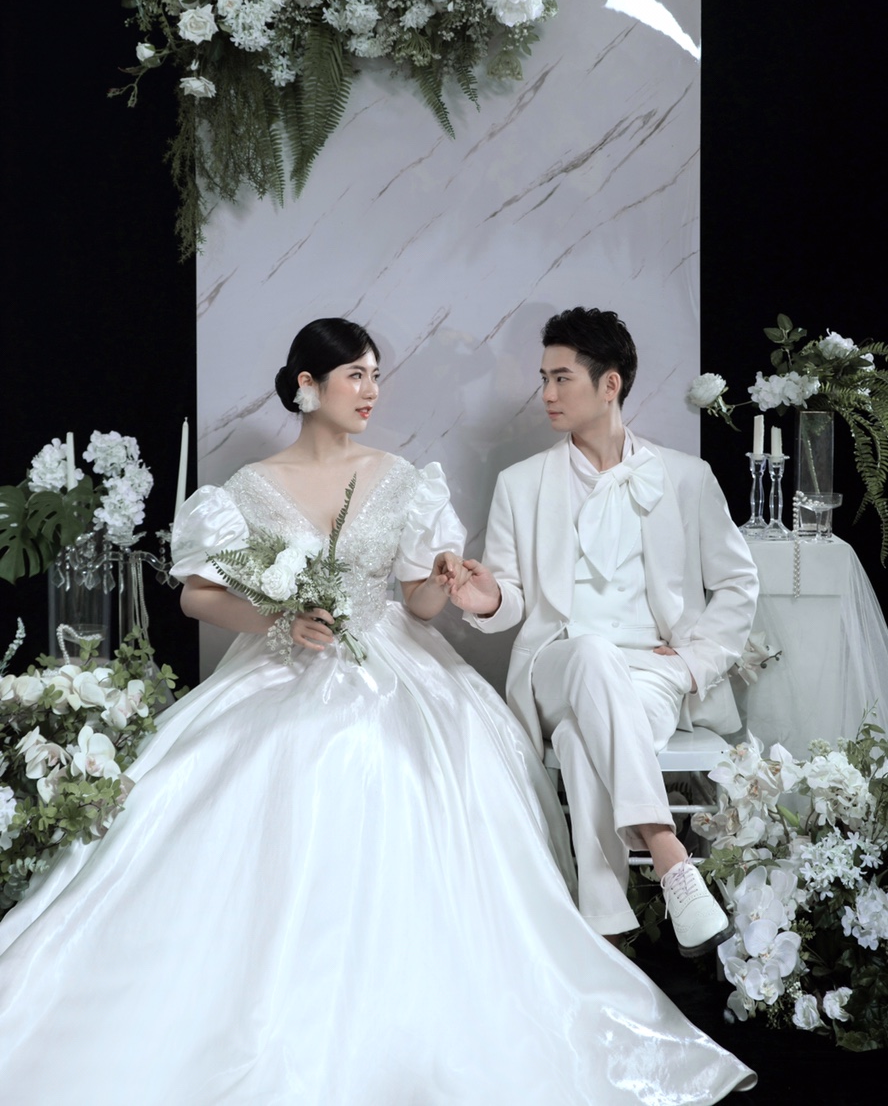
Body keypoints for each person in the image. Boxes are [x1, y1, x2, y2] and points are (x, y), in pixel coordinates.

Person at [0, 318, 755, 1103]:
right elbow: (197, 595)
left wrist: (441, 581)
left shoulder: (400, 479)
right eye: (356, 376)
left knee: (420, 764)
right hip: (284, 662)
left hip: (394, 658)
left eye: (375, 376)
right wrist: (279, 621)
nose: (371, 391)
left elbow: (419, 604)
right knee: (249, 772)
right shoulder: (249, 488)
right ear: (307, 386)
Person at [452, 307, 759, 953]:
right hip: (556, 665)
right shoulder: (520, 485)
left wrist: (693, 665)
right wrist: (489, 600)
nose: (547, 393)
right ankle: (669, 853)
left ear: (610, 384)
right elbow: (510, 600)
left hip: (652, 673)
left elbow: (738, 582)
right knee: (590, 654)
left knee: (580, 739)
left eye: (561, 378)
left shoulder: (686, 477)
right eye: (544, 378)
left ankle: (606, 936)